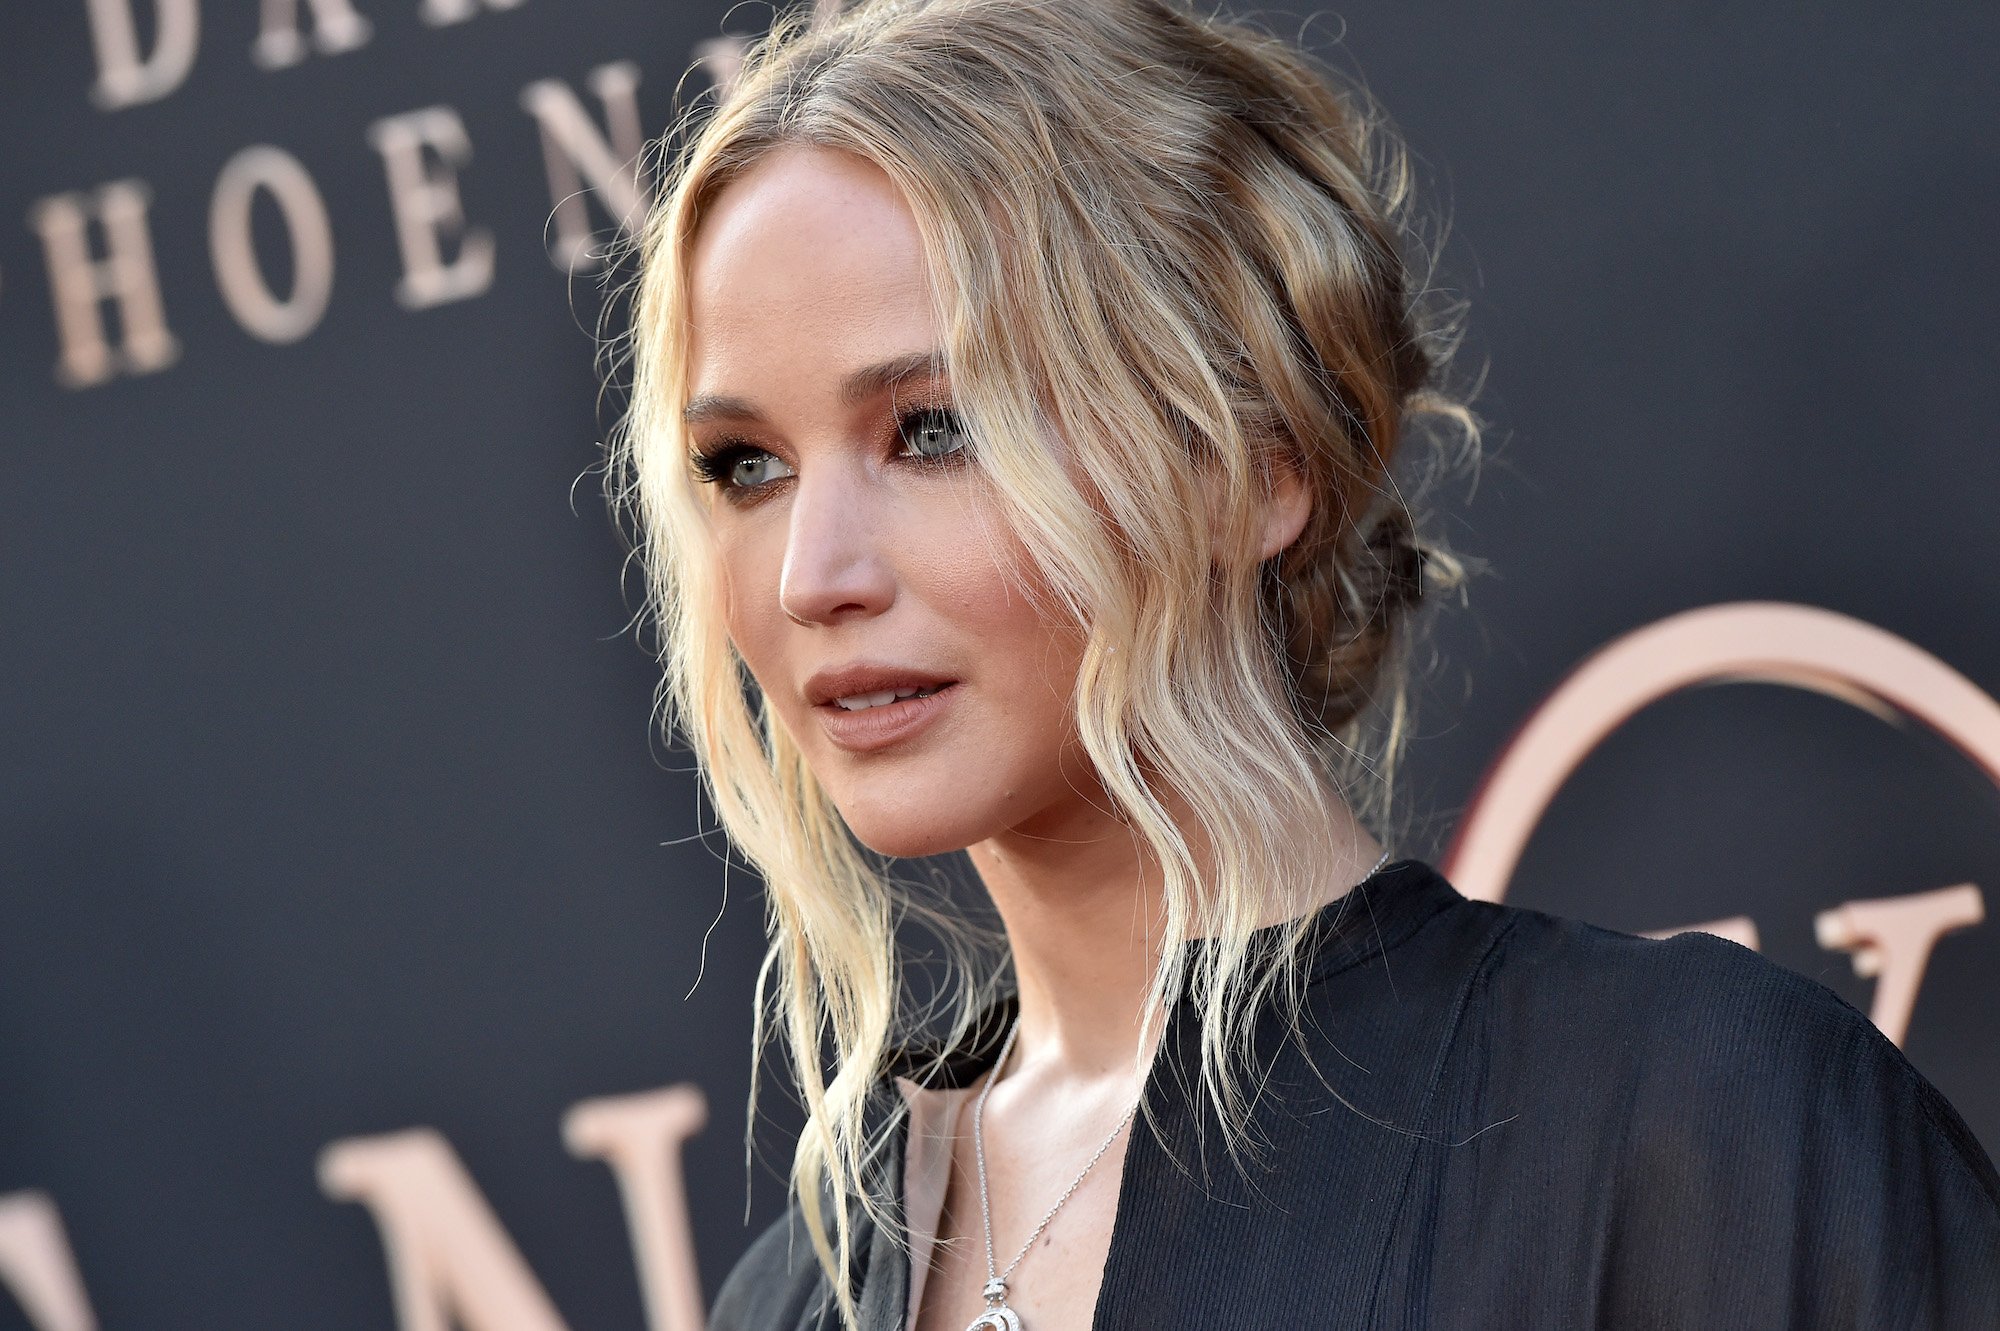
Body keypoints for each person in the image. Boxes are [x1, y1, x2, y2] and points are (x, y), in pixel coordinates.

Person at [605, 0, 2000, 1327]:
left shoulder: (1692, 1128)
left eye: (931, 430)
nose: (811, 576)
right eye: (746, 468)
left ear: (1247, 467)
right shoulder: (801, 1296)